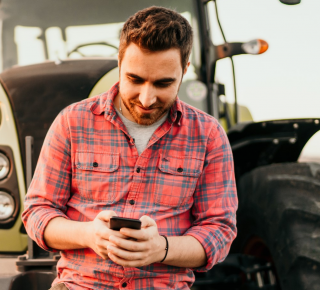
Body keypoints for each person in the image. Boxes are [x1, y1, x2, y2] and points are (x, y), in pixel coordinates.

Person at [21, 6, 238, 290]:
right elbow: (38, 211)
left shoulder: (209, 136)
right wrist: (88, 234)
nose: (146, 99)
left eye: (163, 83)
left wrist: (161, 248)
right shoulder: (72, 122)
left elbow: (219, 230)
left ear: (185, 70)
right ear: (120, 63)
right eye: (135, 80)